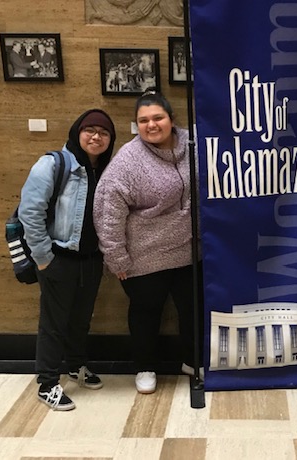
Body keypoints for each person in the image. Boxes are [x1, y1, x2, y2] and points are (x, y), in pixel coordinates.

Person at [94, 92, 202, 395]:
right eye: (144, 120)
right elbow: (108, 212)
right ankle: (145, 366)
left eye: (158, 118)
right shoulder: (127, 161)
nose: (151, 125)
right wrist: (116, 259)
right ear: (136, 125)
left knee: (192, 309)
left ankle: (192, 361)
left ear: (171, 119)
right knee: (145, 313)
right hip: (144, 255)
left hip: (191, 251)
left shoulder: (194, 144)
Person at [19, 109, 116, 411]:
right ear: (77, 132)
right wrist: (44, 258)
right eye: (90, 130)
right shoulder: (53, 164)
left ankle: (76, 365)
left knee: (80, 320)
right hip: (59, 259)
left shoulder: (106, 169)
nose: (96, 136)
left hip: (91, 260)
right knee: (54, 324)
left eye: (103, 132)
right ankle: (47, 383)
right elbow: (29, 213)